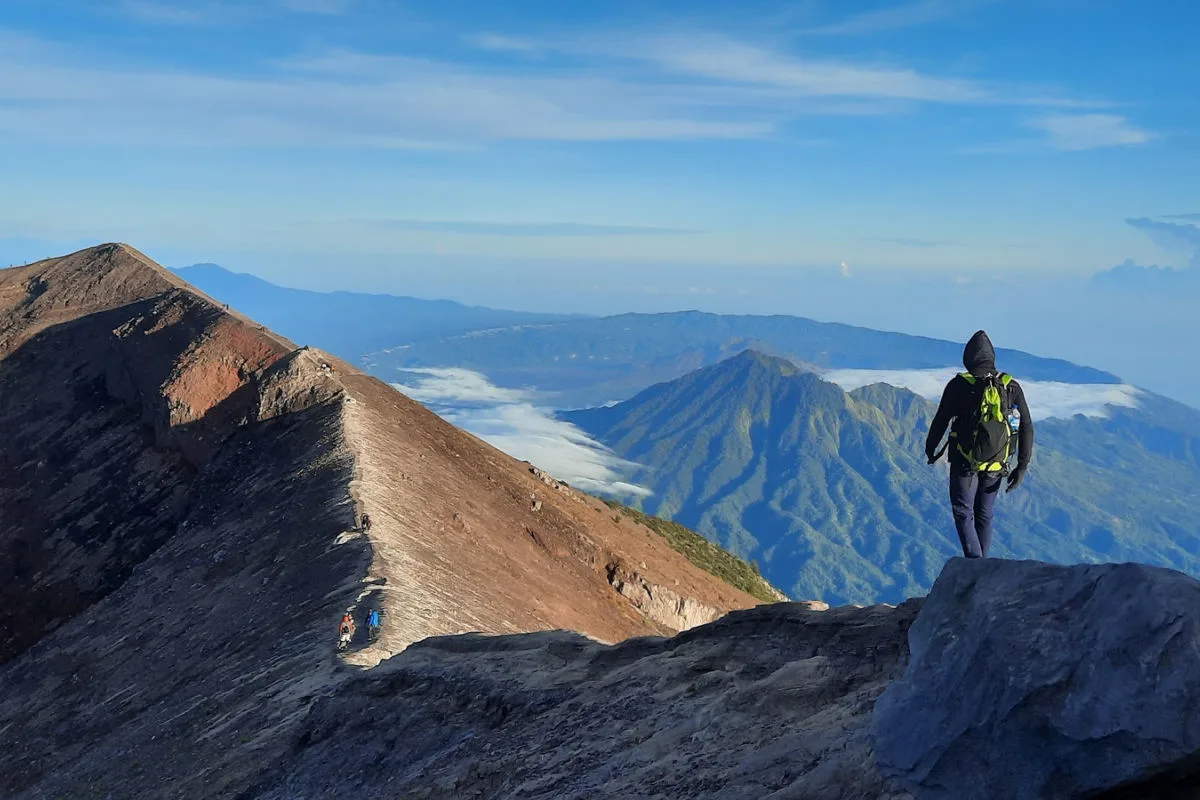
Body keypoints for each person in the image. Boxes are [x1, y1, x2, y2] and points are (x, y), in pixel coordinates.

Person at [925, 330, 1034, 559]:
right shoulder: (1010, 386)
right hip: (997, 462)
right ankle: (982, 565)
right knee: (984, 513)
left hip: (965, 461)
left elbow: (941, 419)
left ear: (968, 358)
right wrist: (1022, 466)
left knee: (963, 511)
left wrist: (931, 448)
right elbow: (1026, 426)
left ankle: (975, 564)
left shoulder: (959, 385)